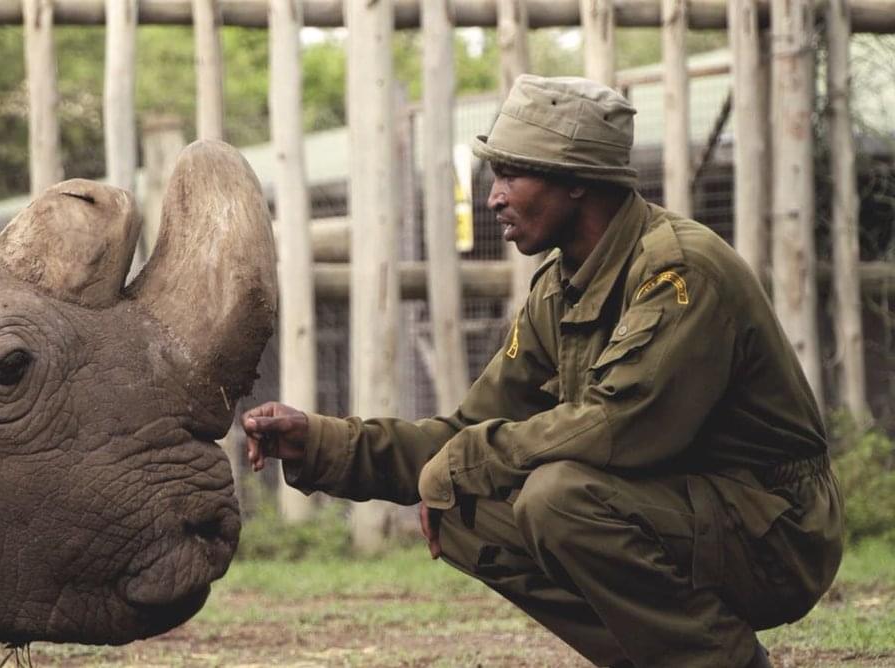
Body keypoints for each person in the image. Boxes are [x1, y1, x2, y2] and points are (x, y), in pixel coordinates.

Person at [241, 75, 842, 668]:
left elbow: (620, 429)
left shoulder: (680, 272)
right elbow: (468, 430)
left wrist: (466, 457)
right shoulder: (560, 288)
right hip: (682, 514)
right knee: (462, 512)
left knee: (557, 498)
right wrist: (319, 441)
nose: (493, 196)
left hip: (776, 531)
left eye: (510, 174)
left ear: (576, 181)